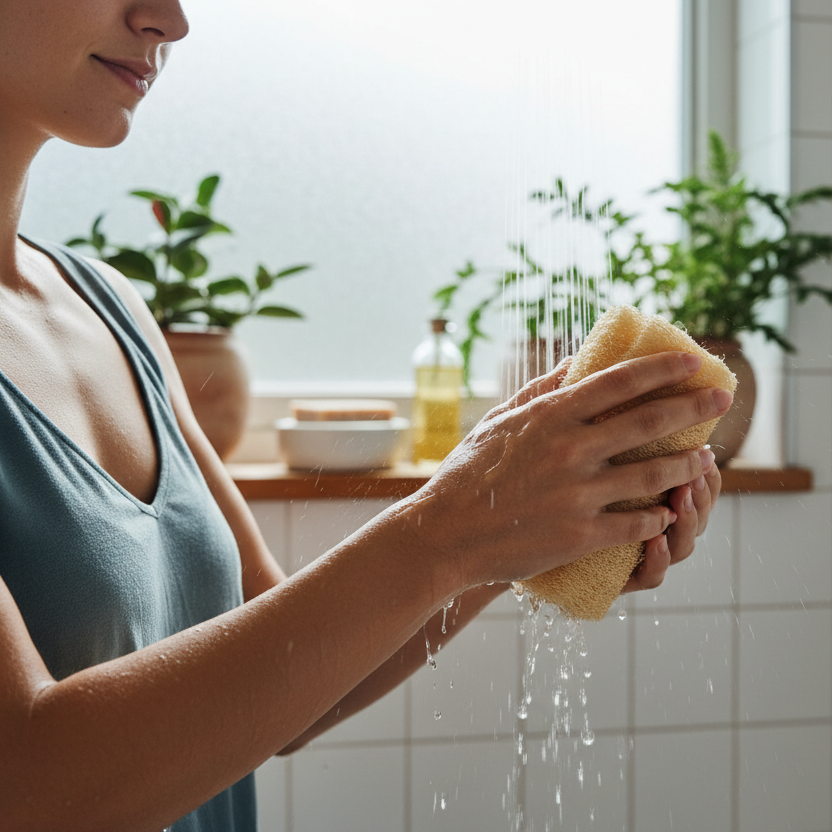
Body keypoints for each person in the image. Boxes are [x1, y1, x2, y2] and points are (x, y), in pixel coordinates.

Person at [0, 1, 728, 830]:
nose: (169, 19)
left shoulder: (110, 310)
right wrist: (452, 524)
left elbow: (291, 693)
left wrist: (514, 533)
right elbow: (28, 786)